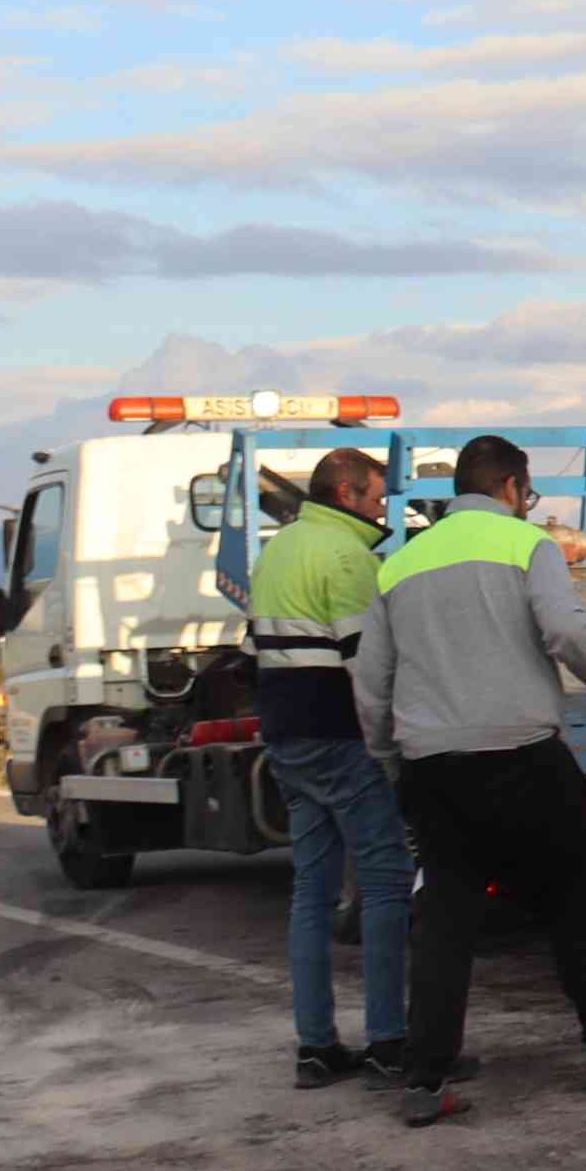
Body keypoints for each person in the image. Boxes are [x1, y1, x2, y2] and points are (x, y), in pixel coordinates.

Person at [353, 434, 586, 1129]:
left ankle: (425, 1080)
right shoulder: (526, 546)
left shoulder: (398, 564)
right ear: (513, 488)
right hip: (523, 760)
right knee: (576, 908)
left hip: (435, 769)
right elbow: (567, 631)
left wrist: (393, 761)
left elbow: (372, 685)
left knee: (446, 921)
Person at [248, 447, 416, 1087]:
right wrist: (388, 750)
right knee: (386, 882)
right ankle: (389, 1043)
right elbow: (365, 668)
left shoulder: (280, 549)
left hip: (286, 734)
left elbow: (254, 646)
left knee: (311, 895)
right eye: (376, 498)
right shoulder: (348, 558)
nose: (382, 509)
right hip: (340, 736)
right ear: (345, 495)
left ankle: (316, 1049)